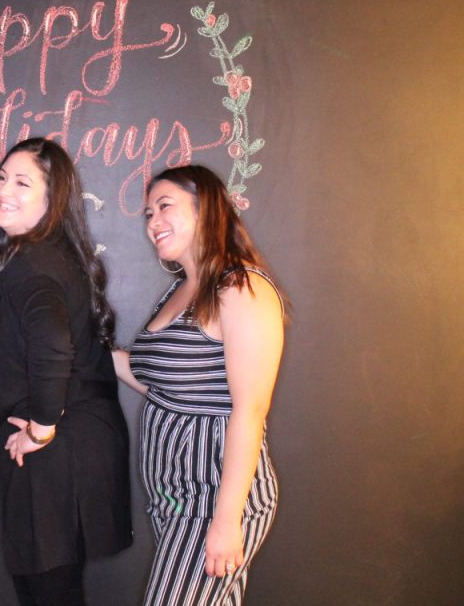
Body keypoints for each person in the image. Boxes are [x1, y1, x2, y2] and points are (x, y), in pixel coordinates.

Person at [0, 138, 133, 606]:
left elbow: (54, 346)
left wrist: (40, 429)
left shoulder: (34, 263)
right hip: (64, 451)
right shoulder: (43, 255)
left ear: (52, 198)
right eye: (2, 177)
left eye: (22, 182)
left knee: (48, 593)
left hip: (55, 455)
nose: (4, 190)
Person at [112, 165, 283, 606]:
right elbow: (166, 388)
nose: (153, 222)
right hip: (174, 497)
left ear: (205, 209)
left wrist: (226, 522)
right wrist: (91, 351)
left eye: (164, 206)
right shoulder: (181, 289)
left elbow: (249, 411)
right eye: (148, 213)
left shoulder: (240, 287)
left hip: (214, 501)